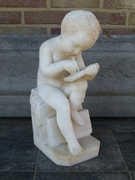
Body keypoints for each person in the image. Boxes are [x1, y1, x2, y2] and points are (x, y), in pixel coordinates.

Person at [37, 10, 100, 155]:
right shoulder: (48, 47)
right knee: (62, 104)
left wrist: (89, 73)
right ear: (64, 32)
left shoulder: (75, 52)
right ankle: (71, 140)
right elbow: (45, 70)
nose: (77, 51)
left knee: (82, 84)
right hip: (48, 87)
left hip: (64, 84)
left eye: (82, 49)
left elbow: (81, 74)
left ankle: (73, 111)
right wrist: (63, 65)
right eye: (75, 45)